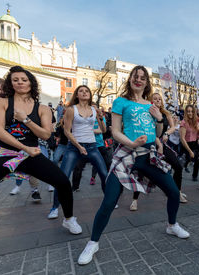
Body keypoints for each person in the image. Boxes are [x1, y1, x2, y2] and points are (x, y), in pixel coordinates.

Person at [0, 66, 82, 252]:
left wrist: (25, 119)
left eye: (24, 79)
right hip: (1, 153)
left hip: (30, 155)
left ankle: (69, 219)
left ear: (31, 83)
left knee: (63, 182)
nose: (19, 82)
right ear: (10, 83)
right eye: (15, 79)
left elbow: (45, 134)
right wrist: (24, 147)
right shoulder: (0, 103)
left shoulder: (42, 108)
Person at [77, 66, 189, 265]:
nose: (138, 80)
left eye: (142, 77)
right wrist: (131, 143)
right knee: (110, 201)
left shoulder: (150, 105)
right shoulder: (121, 102)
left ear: (146, 82)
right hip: (126, 154)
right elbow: (115, 131)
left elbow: (157, 131)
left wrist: (160, 118)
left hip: (148, 155)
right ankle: (93, 242)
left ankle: (172, 225)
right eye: (135, 77)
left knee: (173, 192)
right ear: (130, 80)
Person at [48, 85, 108, 219]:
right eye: (81, 91)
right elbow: (67, 131)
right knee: (63, 177)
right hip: (74, 148)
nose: (84, 92)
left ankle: (108, 201)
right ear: (77, 94)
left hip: (92, 146)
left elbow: (103, 130)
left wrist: (100, 117)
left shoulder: (94, 109)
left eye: (87, 91)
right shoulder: (71, 110)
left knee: (104, 174)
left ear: (90, 95)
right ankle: (54, 208)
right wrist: (79, 147)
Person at [130, 93, 186, 211]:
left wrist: (166, 134)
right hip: (149, 145)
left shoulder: (166, 113)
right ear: (150, 101)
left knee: (178, 166)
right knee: (142, 173)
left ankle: (178, 192)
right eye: (154, 99)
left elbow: (172, 127)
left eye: (159, 99)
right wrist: (159, 143)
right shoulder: (147, 113)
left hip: (162, 144)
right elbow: (149, 130)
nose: (157, 100)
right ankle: (135, 200)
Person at [180, 105, 199, 190]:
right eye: (188, 111)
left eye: (192, 111)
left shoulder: (196, 122)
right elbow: (182, 139)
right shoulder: (183, 122)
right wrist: (190, 151)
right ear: (186, 112)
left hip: (196, 146)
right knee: (179, 168)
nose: (190, 113)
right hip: (186, 147)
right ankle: (176, 188)